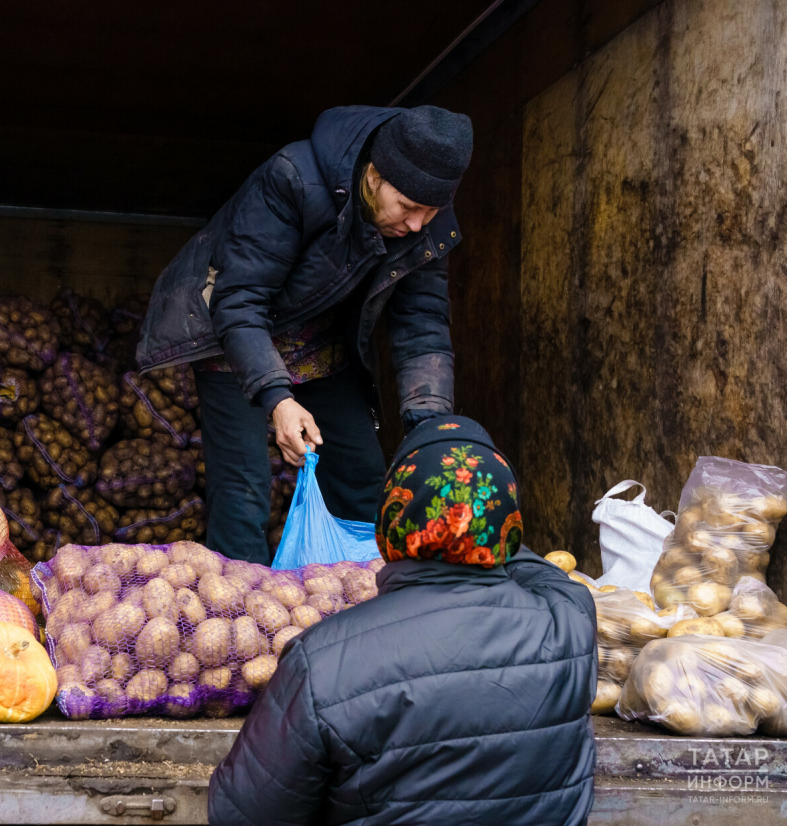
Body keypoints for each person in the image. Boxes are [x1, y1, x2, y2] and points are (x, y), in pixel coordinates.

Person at [207, 416, 598, 826]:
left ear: (388, 524)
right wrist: (481, 522)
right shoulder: (569, 621)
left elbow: (240, 815)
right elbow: (541, 571)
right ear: (510, 524)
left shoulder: (321, 661)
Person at [137, 104, 473, 565]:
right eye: (409, 208)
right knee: (244, 493)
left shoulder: (425, 224)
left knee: (364, 480)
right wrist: (278, 399)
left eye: (430, 212)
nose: (416, 225)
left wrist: (431, 427)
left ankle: (377, 608)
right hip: (234, 335)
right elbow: (239, 301)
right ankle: (244, 619)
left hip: (319, 341)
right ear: (374, 176)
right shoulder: (292, 178)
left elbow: (424, 326)